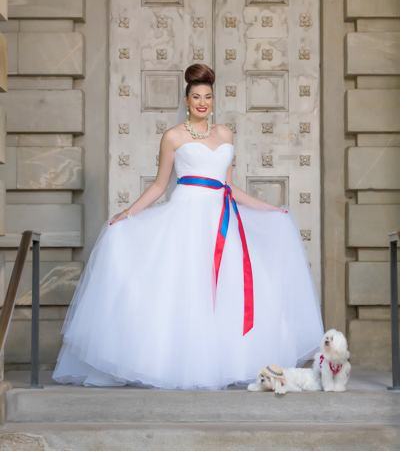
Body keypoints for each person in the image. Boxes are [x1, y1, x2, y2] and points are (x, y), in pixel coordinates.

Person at [52, 64, 324, 389]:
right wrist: (127, 213)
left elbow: (230, 187)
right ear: (186, 99)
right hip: (185, 219)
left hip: (222, 220)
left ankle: (225, 361)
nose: (202, 102)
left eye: (207, 96)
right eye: (196, 96)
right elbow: (158, 186)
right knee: (183, 289)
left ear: (213, 100)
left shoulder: (225, 135)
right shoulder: (173, 137)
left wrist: (272, 210)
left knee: (227, 291)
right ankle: (176, 363)